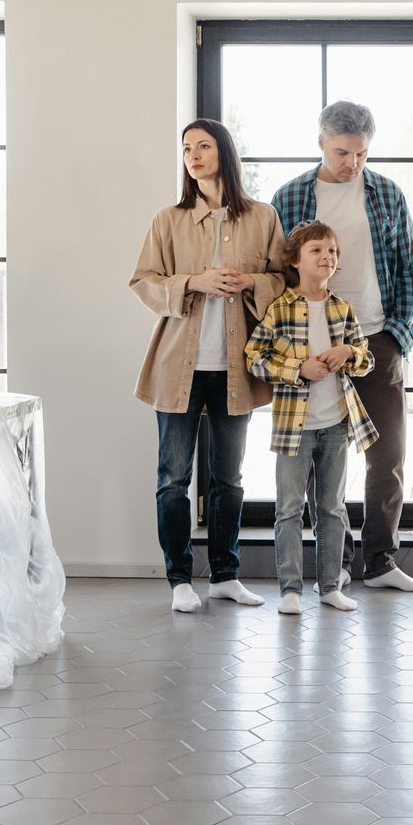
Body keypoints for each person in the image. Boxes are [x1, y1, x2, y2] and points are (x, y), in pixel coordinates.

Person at [270, 101, 413, 593]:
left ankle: (380, 562)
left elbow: (408, 267)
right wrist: (291, 349)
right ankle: (332, 567)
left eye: (361, 154)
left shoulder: (387, 193)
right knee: (321, 459)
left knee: (388, 455)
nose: (352, 163)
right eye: (342, 153)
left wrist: (398, 335)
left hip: (376, 338)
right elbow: (277, 273)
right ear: (320, 143)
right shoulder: (291, 196)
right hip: (312, 345)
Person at [131, 118, 285, 613]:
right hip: (178, 364)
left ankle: (225, 576)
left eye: (203, 146)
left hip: (236, 367)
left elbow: (284, 279)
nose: (193, 156)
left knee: (228, 479)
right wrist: (193, 282)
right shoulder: (168, 220)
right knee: (173, 478)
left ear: (224, 153)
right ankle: (180, 580)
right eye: (186, 149)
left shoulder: (262, 217)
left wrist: (250, 282)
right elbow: (143, 281)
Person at [244, 220, 379, 615]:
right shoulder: (280, 309)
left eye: (332, 251)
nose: (326, 257)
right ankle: (290, 590)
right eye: (316, 250)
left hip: (336, 425)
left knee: (332, 509)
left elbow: (366, 359)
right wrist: (297, 369)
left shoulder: (342, 309)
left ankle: (330, 587)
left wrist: (349, 353)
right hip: (294, 428)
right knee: (288, 509)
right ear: (295, 261)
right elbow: (254, 357)